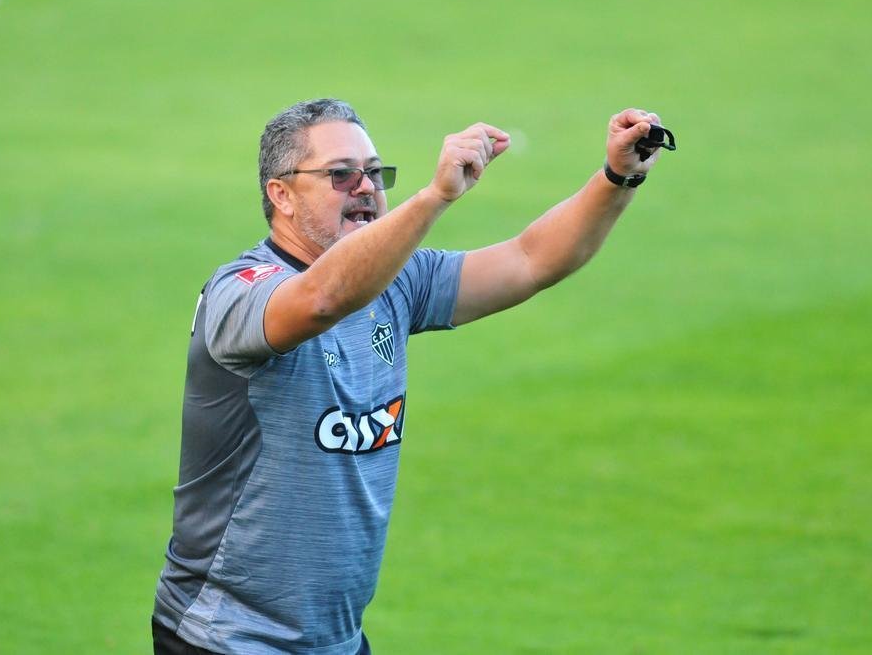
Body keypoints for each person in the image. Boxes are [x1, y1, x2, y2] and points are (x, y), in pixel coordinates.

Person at [152, 98, 669, 655]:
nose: (366, 187)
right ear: (281, 193)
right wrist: (435, 196)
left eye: (375, 173)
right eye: (341, 174)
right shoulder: (242, 292)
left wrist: (619, 175)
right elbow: (322, 299)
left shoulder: (398, 282)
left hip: (337, 641)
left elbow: (530, 260)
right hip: (227, 637)